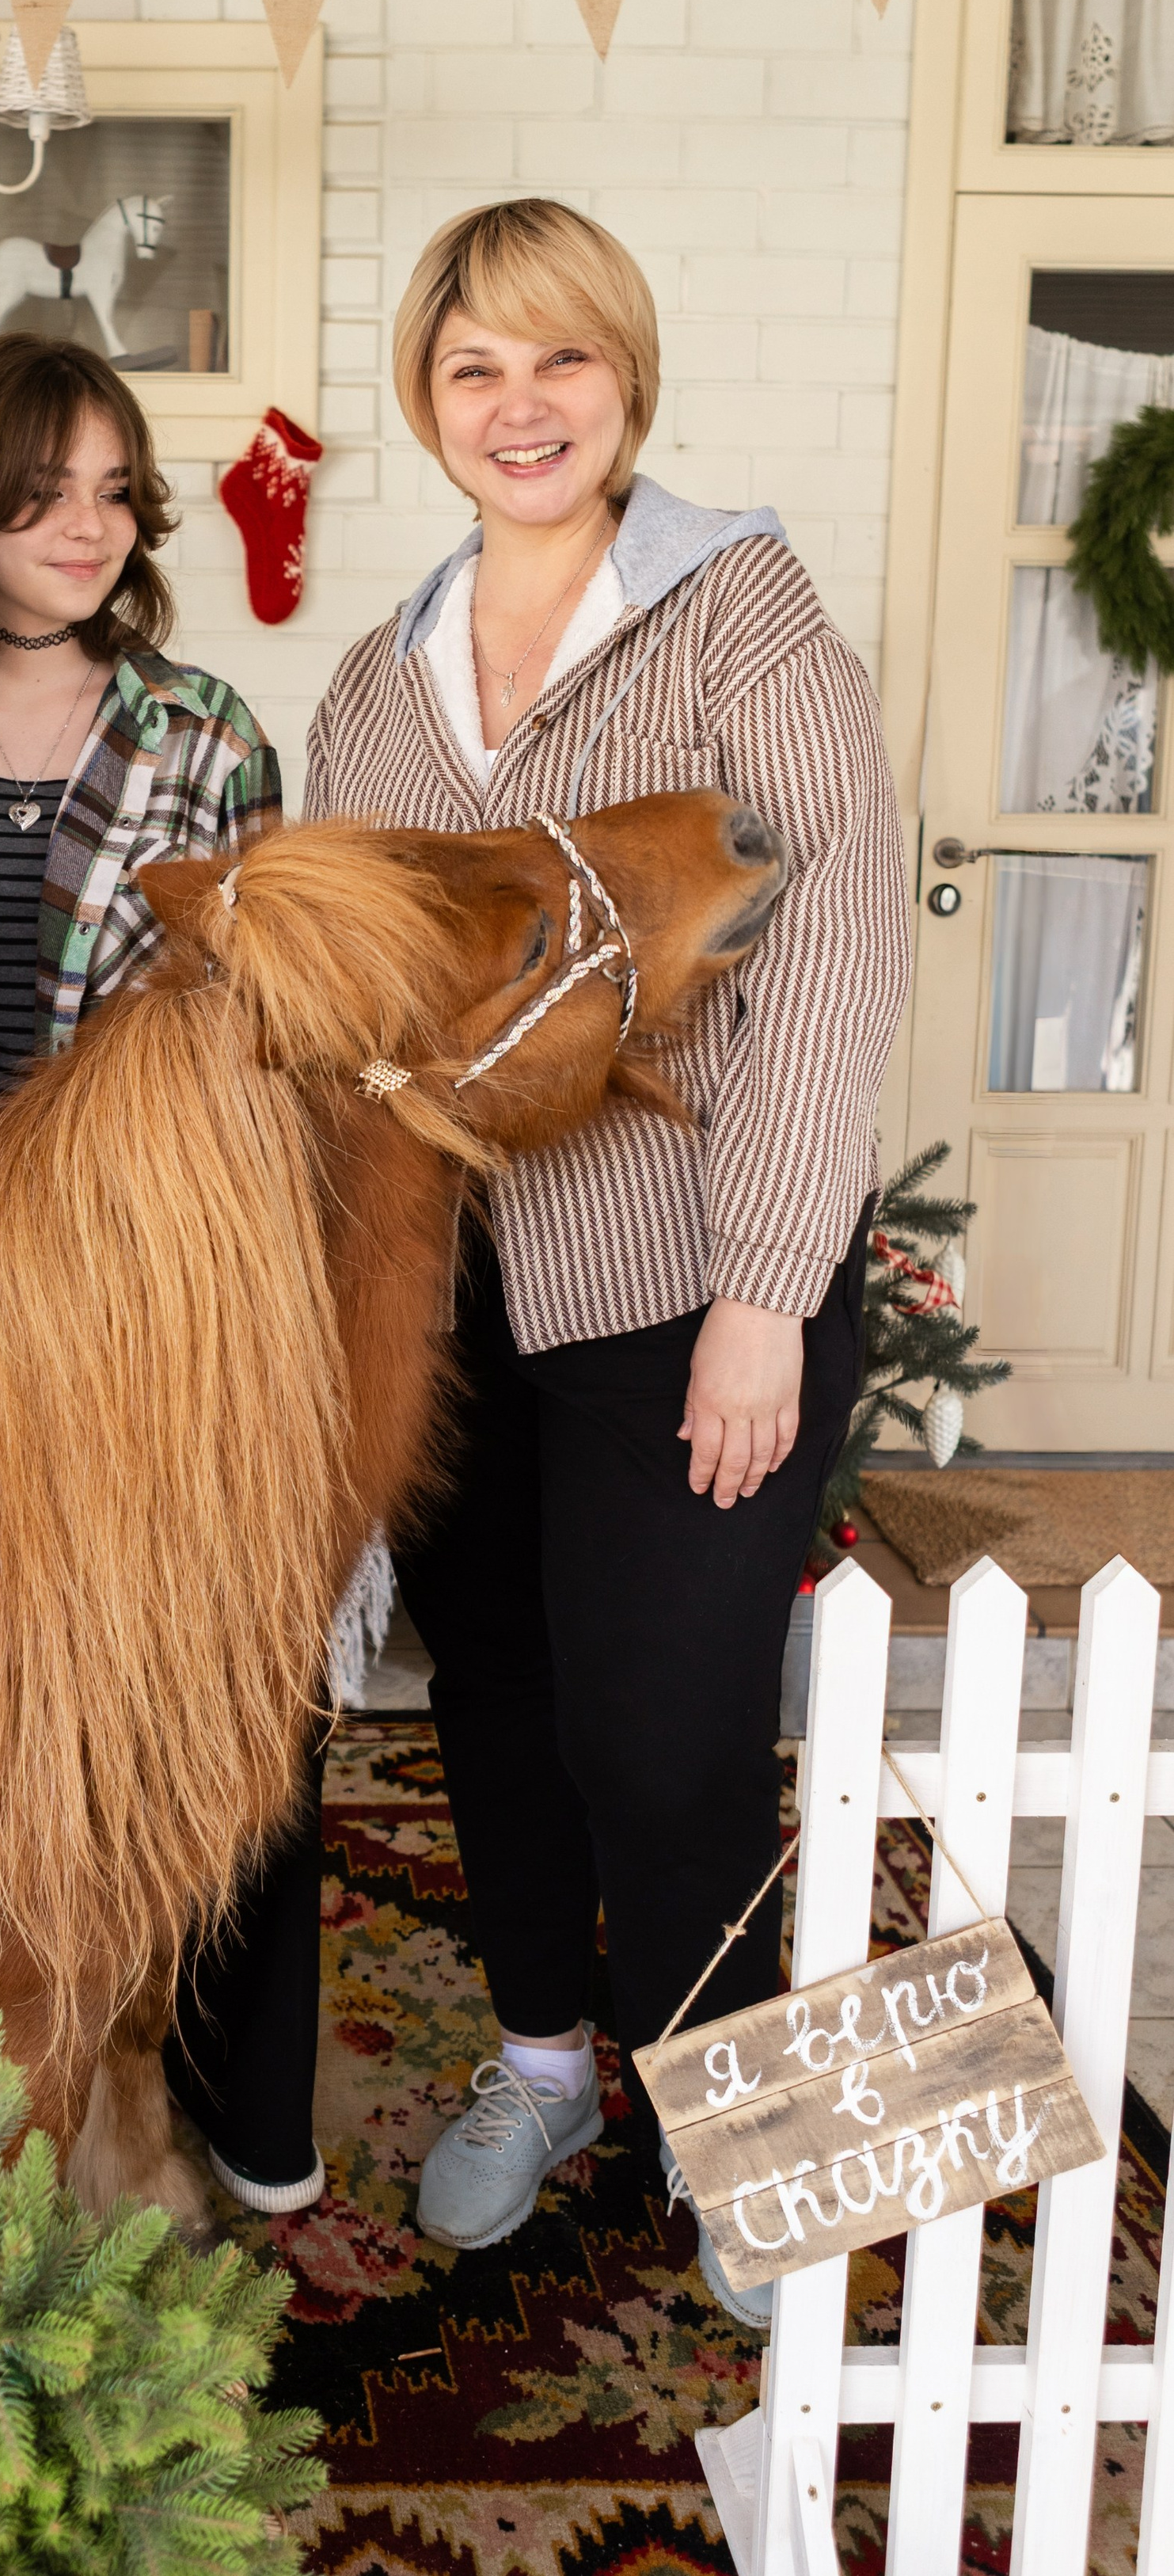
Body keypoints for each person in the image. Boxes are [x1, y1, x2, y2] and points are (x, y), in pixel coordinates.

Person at [305, 200, 910, 2326]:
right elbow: (350, 1016)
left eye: (559, 356)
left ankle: (728, 2114)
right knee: (495, 1698)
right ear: (426, 400)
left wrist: (768, 1284)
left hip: (684, 1279)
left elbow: (833, 940)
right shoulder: (373, 685)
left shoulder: (737, 612)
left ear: (626, 379)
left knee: (665, 1737)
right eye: (473, 364)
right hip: (450, 1294)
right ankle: (551, 2065)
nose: (520, 403)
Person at [0, 334, 321, 2213]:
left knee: (214, 1692)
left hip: (162, 1275)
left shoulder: (206, 733)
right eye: (43, 493)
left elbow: (270, 1018)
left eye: (113, 491)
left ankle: (240, 2119)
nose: (87, 527)